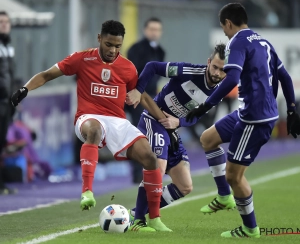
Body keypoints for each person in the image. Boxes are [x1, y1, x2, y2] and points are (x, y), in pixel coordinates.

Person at [11, 20, 172, 232]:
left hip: (117, 120)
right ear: (99, 38)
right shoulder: (82, 58)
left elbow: (141, 96)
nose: (113, 50)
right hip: (87, 117)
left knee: (150, 159)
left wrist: (162, 118)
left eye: (117, 46)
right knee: (94, 130)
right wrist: (24, 89)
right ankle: (87, 191)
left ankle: (154, 220)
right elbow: (47, 75)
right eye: (108, 44)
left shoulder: (128, 68)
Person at [185, 3, 300, 238]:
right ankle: (225, 197)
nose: (225, 33)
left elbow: (231, 78)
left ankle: (250, 228)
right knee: (208, 138)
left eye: (224, 28)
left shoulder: (236, 41)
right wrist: (291, 110)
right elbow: (285, 77)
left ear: (228, 23)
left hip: (254, 119)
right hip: (248, 111)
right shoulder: (263, 42)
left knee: (233, 176)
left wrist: (206, 105)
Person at [125, 43, 227, 223]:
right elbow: (152, 67)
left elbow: (196, 117)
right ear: (208, 62)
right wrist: (138, 90)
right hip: (153, 119)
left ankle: (135, 213)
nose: (217, 73)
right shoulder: (188, 71)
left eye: (222, 70)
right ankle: (140, 220)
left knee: (184, 186)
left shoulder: (219, 91)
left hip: (171, 129)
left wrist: (178, 121)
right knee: (158, 168)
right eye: (215, 67)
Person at [127, 17, 165, 183]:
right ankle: (136, 174)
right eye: (151, 29)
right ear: (145, 30)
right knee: (138, 134)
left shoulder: (160, 51)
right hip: (137, 97)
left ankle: (152, 171)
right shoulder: (135, 49)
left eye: (157, 29)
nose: (154, 32)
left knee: (153, 134)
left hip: (153, 98)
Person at [0, 11, 16, 195]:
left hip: (6, 104)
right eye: (0, 22)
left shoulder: (8, 47)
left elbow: (10, 76)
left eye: (6, 21)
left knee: (2, 143)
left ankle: (1, 182)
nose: (4, 24)